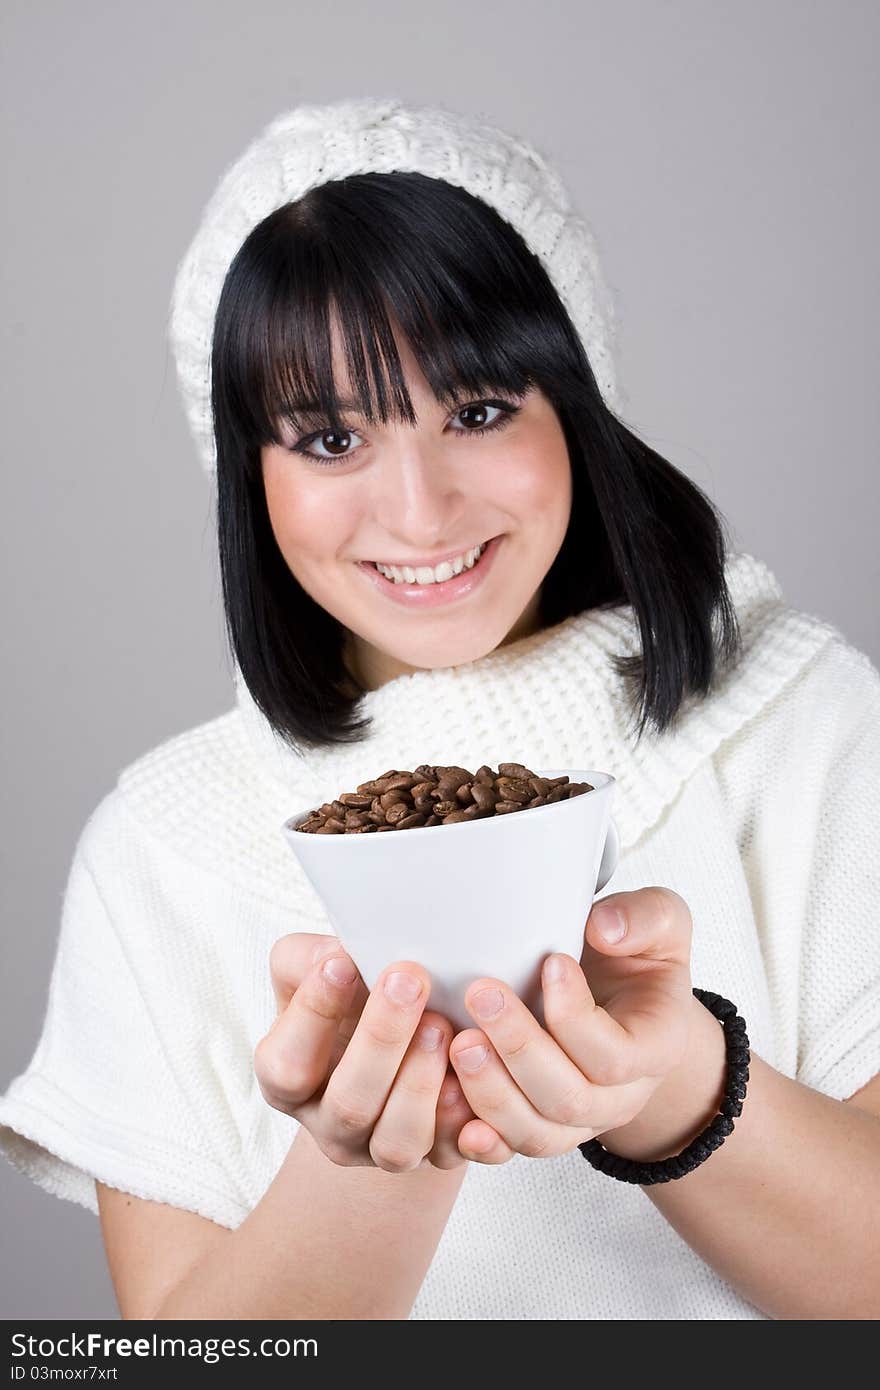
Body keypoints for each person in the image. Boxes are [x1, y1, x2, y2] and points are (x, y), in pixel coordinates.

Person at [1, 97, 878, 1322]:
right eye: (328, 438)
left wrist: (682, 1084)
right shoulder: (167, 846)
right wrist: (370, 1158)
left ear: (576, 402)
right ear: (247, 474)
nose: (417, 513)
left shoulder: (803, 728)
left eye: (476, 411)